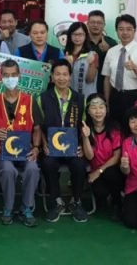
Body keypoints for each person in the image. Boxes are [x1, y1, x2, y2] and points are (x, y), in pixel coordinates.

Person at [0, 59, 43, 227]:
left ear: (19, 76)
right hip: (3, 151)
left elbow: (38, 128)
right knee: (8, 170)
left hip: (26, 149)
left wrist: (36, 148)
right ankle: (8, 207)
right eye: (6, 75)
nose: (10, 78)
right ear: (0, 77)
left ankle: (26, 208)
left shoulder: (30, 100)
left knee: (33, 168)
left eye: (13, 75)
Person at [39, 59, 88, 223]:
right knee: (48, 163)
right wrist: (44, 144)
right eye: (57, 74)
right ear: (52, 77)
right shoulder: (43, 98)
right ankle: (56, 201)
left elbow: (83, 125)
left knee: (79, 164)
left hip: (72, 146)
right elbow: (39, 125)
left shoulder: (79, 98)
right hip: (51, 147)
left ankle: (76, 200)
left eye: (65, 74)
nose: (61, 78)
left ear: (70, 76)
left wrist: (81, 145)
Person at [101, 14, 137, 128]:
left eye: (129, 29)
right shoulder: (111, 51)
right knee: (115, 129)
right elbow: (107, 78)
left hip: (135, 96)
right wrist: (107, 101)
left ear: (134, 31)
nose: (125, 33)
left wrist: (135, 68)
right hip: (115, 96)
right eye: (121, 29)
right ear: (116, 31)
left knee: (134, 128)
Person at [81, 94, 124, 219]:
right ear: (88, 111)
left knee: (111, 173)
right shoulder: (85, 128)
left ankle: (118, 203)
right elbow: (89, 156)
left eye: (101, 107)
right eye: (94, 108)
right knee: (100, 194)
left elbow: (116, 157)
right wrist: (85, 137)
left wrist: (99, 171)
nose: (98, 111)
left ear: (106, 109)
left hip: (113, 170)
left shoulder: (115, 128)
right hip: (95, 170)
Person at [63, 22, 98, 101]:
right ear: (70, 36)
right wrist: (68, 65)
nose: (77, 37)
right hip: (68, 98)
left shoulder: (93, 55)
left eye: (80, 34)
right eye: (74, 34)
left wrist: (91, 64)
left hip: (87, 98)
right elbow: (62, 80)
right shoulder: (64, 55)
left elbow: (90, 80)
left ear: (86, 36)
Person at [87, 10, 117, 94]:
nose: (95, 25)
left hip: (106, 86)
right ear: (87, 24)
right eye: (92, 22)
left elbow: (117, 66)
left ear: (104, 25)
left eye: (99, 23)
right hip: (85, 85)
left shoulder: (112, 43)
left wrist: (108, 50)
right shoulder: (81, 42)